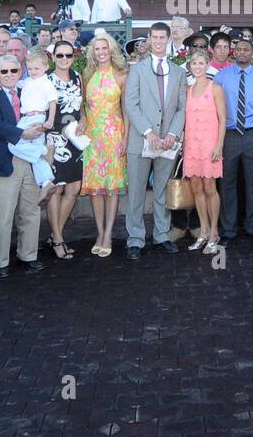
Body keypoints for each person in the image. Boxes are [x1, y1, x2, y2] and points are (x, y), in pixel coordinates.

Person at [123, 22, 188, 260]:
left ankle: (161, 235)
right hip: (142, 141)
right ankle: (135, 239)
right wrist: (148, 132)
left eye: (163, 37)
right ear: (149, 39)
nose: (159, 41)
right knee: (137, 193)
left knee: (161, 191)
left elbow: (182, 108)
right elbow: (131, 104)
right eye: (155, 37)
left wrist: (172, 134)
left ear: (169, 39)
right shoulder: (137, 70)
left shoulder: (179, 72)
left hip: (167, 144)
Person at [0, 51, 46, 277]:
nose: (9, 75)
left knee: (31, 210)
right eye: (4, 71)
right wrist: (23, 133)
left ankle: (29, 255)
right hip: (5, 160)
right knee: (4, 215)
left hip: (31, 161)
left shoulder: (30, 90)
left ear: (21, 72)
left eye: (13, 70)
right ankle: (0, 261)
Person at [214, 38, 253, 246]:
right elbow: (214, 108)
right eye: (238, 49)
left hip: (251, 135)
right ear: (233, 52)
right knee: (227, 183)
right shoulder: (221, 77)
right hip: (229, 135)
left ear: (252, 52)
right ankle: (228, 230)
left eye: (246, 49)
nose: (241, 52)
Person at [81, 31, 128, 257]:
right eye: (96, 49)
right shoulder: (87, 74)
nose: (100, 52)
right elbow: (82, 106)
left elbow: (126, 111)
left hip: (114, 137)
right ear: (92, 52)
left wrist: (126, 139)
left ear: (111, 50)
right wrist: (81, 118)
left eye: (104, 48)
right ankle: (99, 232)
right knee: (96, 189)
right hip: (92, 138)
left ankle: (108, 233)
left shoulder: (121, 75)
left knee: (111, 188)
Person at [43, 38, 85, 260]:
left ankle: (54, 235)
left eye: (69, 55)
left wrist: (85, 119)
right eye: (60, 55)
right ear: (53, 57)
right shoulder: (46, 80)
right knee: (56, 189)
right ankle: (58, 239)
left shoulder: (78, 78)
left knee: (74, 188)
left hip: (74, 139)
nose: (64, 59)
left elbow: (83, 105)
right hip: (53, 141)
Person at [182, 50, 225, 254]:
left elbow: (223, 119)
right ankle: (204, 231)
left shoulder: (215, 88)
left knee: (210, 187)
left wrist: (219, 145)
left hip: (210, 144)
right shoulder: (188, 90)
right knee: (196, 188)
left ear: (207, 65)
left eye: (201, 63)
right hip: (192, 144)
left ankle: (215, 232)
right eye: (194, 63)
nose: (197, 66)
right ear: (190, 66)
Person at [6, 49, 59, 202]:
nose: (33, 71)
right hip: (25, 118)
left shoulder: (46, 83)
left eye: (37, 68)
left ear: (45, 67)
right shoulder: (28, 81)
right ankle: (47, 182)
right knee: (34, 157)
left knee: (13, 143)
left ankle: (43, 150)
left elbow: (52, 102)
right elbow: (14, 82)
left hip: (37, 116)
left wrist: (50, 121)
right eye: (30, 69)